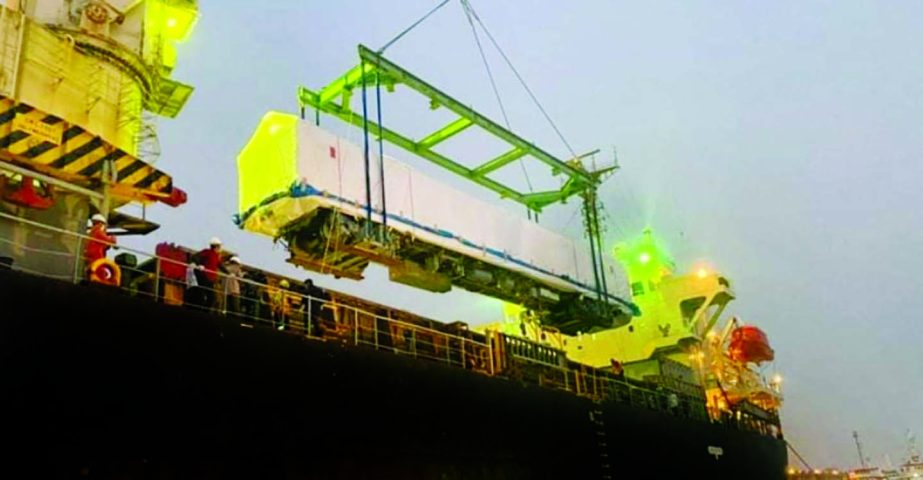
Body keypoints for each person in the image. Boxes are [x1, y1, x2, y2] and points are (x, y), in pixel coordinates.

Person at [194, 237, 222, 310]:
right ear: (215, 246)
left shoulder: (216, 256)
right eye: (219, 246)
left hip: (211, 279)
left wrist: (229, 274)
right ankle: (199, 311)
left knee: (211, 297)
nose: (220, 248)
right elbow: (195, 256)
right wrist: (199, 264)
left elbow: (220, 265)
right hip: (204, 276)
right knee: (202, 295)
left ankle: (205, 312)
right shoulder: (207, 252)